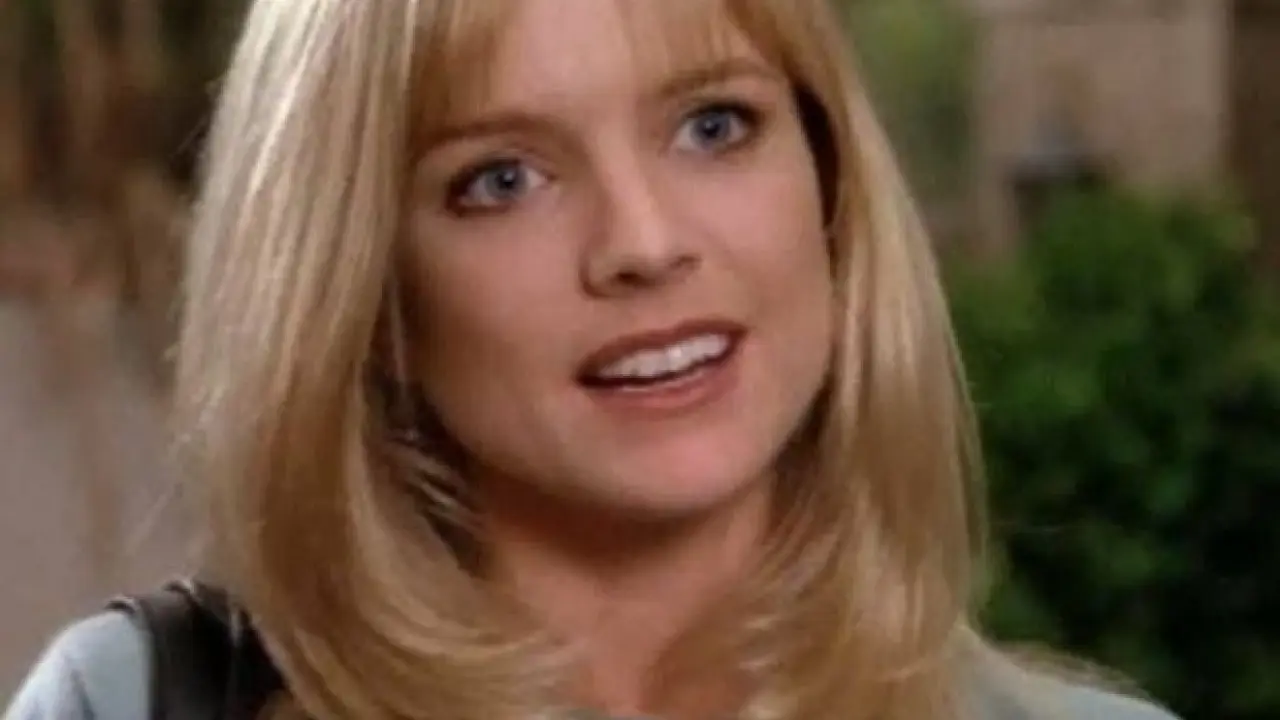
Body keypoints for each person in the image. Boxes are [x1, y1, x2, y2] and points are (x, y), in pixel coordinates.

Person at [5, 1, 1181, 719]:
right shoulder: (130, 703)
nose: (643, 243)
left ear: (827, 186)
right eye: (500, 179)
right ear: (366, 298)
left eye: (712, 125)